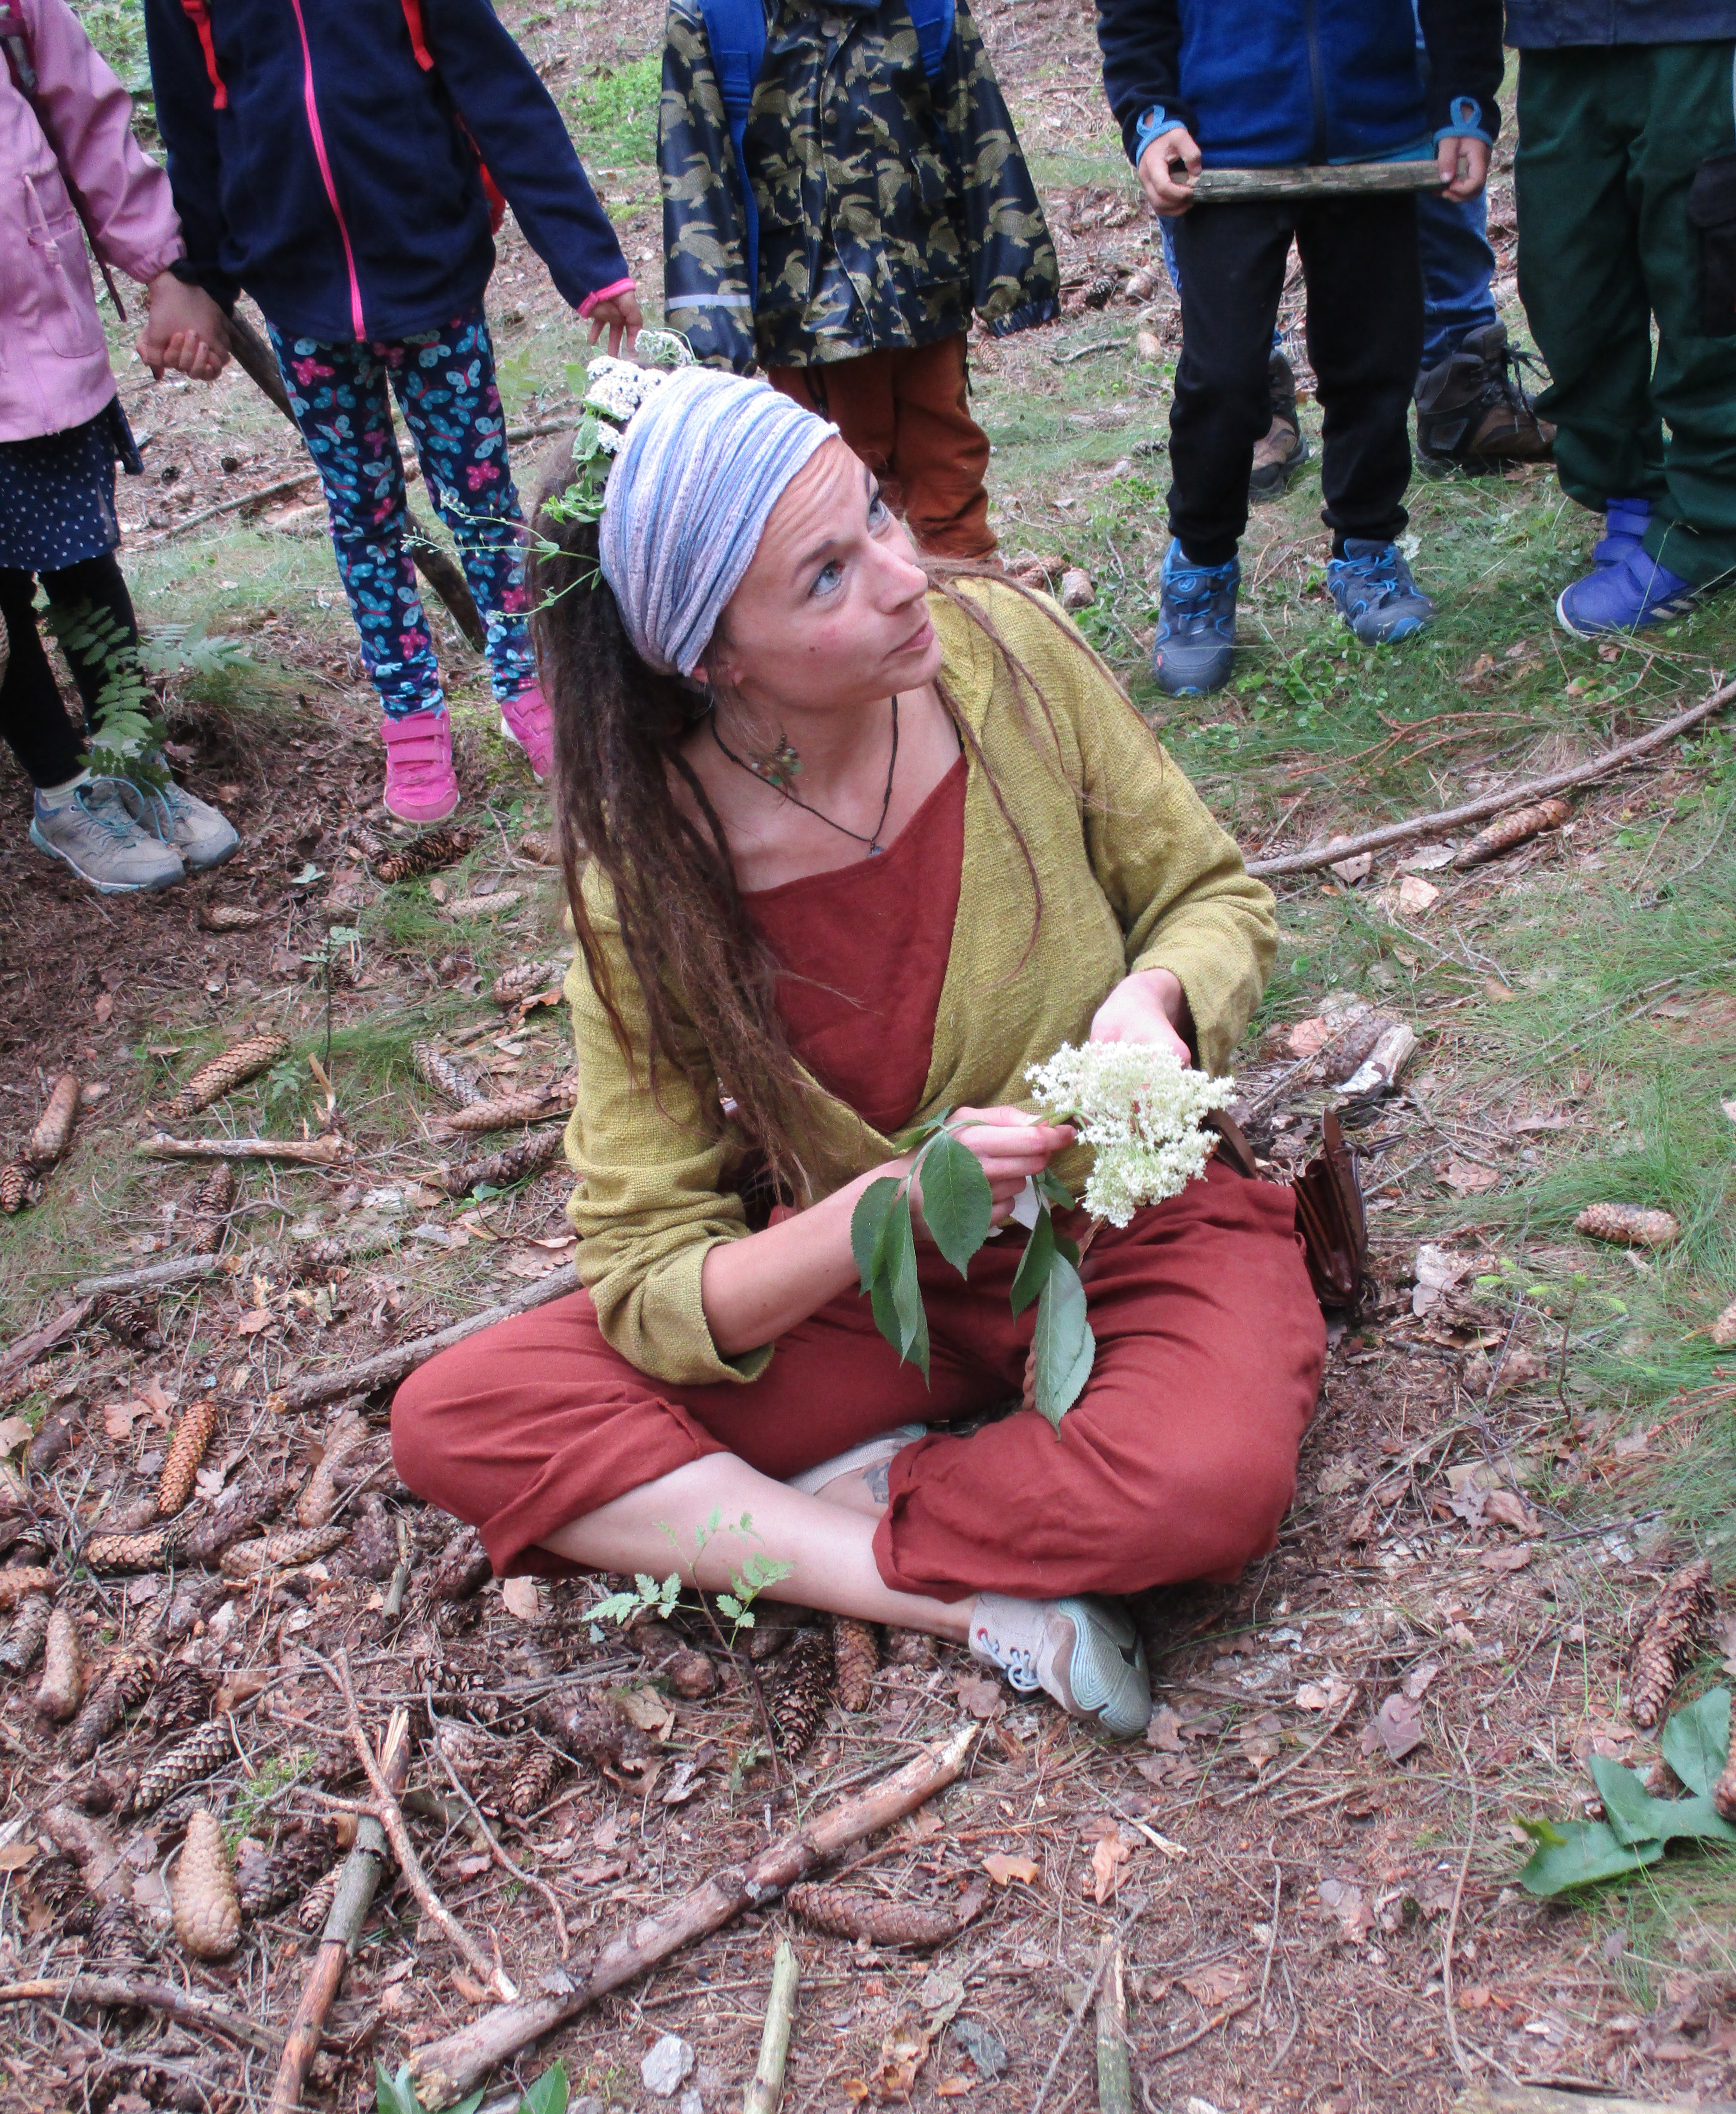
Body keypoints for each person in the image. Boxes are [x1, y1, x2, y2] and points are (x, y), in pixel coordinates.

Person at [391, 367, 1326, 1738]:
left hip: (1126, 1225)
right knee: (463, 1415)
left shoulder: (1003, 652)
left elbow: (1211, 893)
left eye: (877, 514)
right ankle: (951, 1591)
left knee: (1205, 1483)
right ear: (714, 657)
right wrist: (883, 1211)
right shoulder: (652, 870)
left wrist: (1156, 1000)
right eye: (827, 576)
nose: (902, 577)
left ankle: (839, 1504)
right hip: (873, 1292)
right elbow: (648, 1271)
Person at [143, 0, 645, 823]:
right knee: (363, 517)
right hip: (301, 303)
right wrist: (200, 281)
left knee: (480, 502)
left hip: (432, 283)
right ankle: (411, 715)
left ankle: (529, 681)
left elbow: (500, 94)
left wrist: (587, 260)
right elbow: (194, 135)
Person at [1095, 0, 1502, 695]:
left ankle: (1367, 547)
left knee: (1375, 359)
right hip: (1224, 147)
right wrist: (1150, 114)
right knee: (1223, 377)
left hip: (1375, 135)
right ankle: (1200, 564)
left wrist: (1463, 99)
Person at [658, 0, 1058, 558]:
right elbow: (694, 170)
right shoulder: (718, 16)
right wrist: (710, 338)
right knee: (838, 506)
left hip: (923, 294)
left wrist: (1016, 273)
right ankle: (868, 634)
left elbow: (979, 124)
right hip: (803, 324)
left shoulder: (926, 8)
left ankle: (977, 624)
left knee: (950, 490)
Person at [1, 0, 239, 895]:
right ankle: (63, 792)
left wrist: (165, 268)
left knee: (83, 565)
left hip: (39, 344)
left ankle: (134, 763)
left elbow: (88, 121)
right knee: (0, 610)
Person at [1505, 3, 1736, 634]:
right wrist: (1458, 79)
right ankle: (1629, 484)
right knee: (1568, 284)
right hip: (1562, 31)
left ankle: (1725, 520)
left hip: (1717, 27)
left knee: (1710, 287)